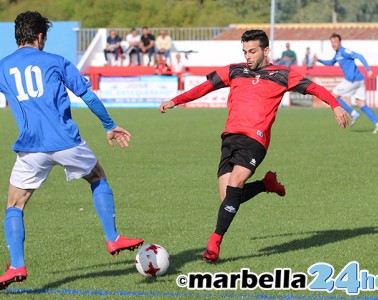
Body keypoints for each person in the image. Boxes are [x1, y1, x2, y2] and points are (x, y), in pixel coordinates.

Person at [159, 30, 349, 263]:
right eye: (245, 51)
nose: (248, 56)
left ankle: (214, 243)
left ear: (265, 50)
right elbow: (205, 87)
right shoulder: (234, 70)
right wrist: (175, 101)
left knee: (236, 183)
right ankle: (265, 185)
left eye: (252, 51)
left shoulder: (282, 74)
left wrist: (335, 106)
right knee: (227, 198)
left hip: (255, 140)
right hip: (230, 138)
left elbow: (315, 89)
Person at [0, 11, 143, 290]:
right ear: (40, 36)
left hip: (31, 148)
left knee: (14, 205)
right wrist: (109, 124)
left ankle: (17, 265)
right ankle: (112, 237)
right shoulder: (55, 61)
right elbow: (87, 95)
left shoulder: (3, 66)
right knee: (97, 176)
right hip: (66, 142)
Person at [315, 33, 378, 133]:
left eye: (335, 42)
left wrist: (368, 70)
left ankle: (353, 113)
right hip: (360, 80)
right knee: (361, 104)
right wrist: (319, 60)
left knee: (334, 96)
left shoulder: (344, 51)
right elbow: (331, 63)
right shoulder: (338, 54)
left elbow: (360, 56)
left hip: (352, 80)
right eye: (332, 42)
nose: (333, 44)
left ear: (340, 42)